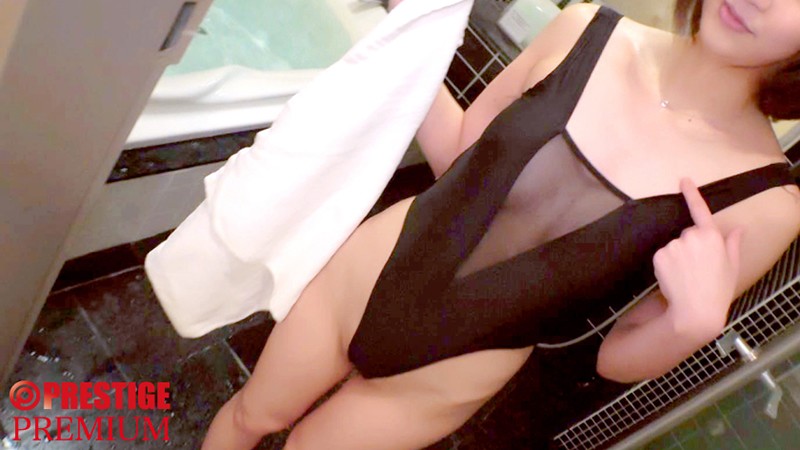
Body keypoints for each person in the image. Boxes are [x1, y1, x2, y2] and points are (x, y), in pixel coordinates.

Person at [203, 0, 800, 448]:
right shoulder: (583, 28)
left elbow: (613, 361)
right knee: (251, 415)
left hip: (449, 375)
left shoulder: (766, 202)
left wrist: (691, 326)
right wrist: (408, 44)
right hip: (362, 279)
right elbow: (462, 151)